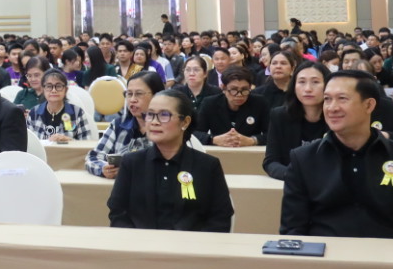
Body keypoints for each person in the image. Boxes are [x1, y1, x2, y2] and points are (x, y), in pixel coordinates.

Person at [280, 70, 393, 239]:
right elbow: (292, 231)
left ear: (369, 105)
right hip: (326, 252)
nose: (332, 108)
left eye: (342, 98)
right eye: (327, 99)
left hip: (389, 253)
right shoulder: (303, 159)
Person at [107, 89, 233, 232]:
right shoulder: (131, 162)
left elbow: (220, 218)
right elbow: (118, 213)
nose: (154, 122)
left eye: (164, 115)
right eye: (150, 114)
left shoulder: (208, 166)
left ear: (185, 122)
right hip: (141, 243)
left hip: (192, 244)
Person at [85, 71, 165, 177]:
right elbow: (93, 157)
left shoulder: (166, 128)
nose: (132, 100)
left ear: (157, 96)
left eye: (139, 94)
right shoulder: (119, 125)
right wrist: (103, 168)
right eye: (129, 94)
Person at [263, 60, 331, 180]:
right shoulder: (280, 116)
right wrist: (295, 176)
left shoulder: (338, 117)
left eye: (315, 82)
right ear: (294, 86)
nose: (308, 89)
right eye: (301, 82)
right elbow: (270, 162)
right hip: (293, 182)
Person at [192, 68, 269, 147]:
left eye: (244, 90)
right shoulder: (210, 103)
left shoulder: (259, 103)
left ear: (250, 87)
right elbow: (195, 133)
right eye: (233, 90)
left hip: (250, 151)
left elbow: (271, 134)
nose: (239, 95)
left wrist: (252, 140)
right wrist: (213, 139)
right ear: (223, 88)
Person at [26, 69, 92, 142]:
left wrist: (69, 141)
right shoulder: (33, 113)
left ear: (66, 90)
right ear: (43, 89)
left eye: (58, 86)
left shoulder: (77, 112)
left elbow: (86, 143)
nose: (54, 90)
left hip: (69, 149)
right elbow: (29, 144)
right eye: (49, 86)